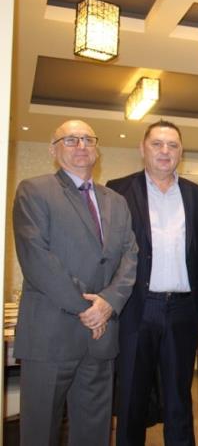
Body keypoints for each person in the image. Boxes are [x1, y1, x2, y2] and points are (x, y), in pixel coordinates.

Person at [12, 119, 138, 446]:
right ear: (53, 151)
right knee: (40, 432)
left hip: (101, 338)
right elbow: (37, 259)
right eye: (70, 140)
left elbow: (130, 257)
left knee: (94, 433)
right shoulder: (34, 190)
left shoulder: (116, 201)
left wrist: (108, 303)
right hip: (50, 336)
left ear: (97, 149)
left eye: (87, 139)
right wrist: (88, 309)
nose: (81, 146)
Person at [107, 120, 198, 445]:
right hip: (136, 308)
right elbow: (108, 253)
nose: (165, 151)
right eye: (157, 144)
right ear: (143, 148)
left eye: (172, 145)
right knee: (131, 400)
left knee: (179, 400)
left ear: (181, 152)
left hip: (183, 310)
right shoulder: (118, 191)